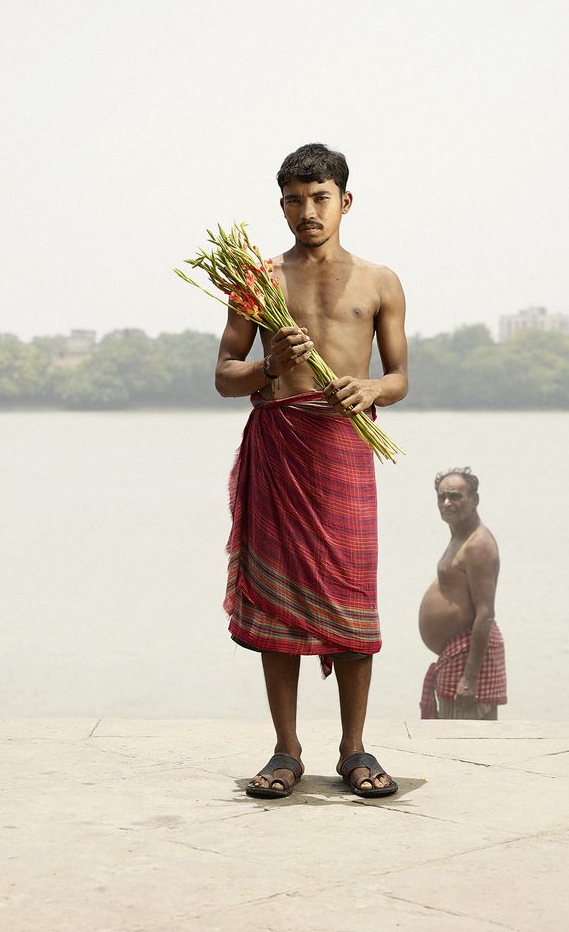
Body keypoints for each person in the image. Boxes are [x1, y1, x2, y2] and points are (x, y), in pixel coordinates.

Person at [215, 142, 408, 797]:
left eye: (319, 197)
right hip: (280, 447)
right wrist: (270, 366)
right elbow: (223, 376)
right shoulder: (259, 281)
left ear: (344, 202)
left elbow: (400, 376)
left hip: (346, 445)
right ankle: (285, 750)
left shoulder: (380, 281)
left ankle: (354, 749)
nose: (307, 211)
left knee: (353, 596)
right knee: (277, 600)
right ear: (282, 206)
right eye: (294, 200)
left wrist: (371, 391)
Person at [419, 468, 507, 720]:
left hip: (470, 656)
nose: (446, 502)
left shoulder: (478, 544)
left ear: (474, 500)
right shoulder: (460, 537)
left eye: (455, 496)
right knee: (450, 737)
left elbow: (485, 613)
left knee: (465, 744)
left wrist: (470, 677)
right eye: (441, 497)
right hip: (456, 652)